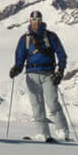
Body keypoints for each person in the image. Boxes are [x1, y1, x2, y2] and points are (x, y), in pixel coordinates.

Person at [9, 10, 71, 142]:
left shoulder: (51, 37)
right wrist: (16, 69)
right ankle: (43, 134)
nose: (36, 22)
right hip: (31, 75)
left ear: (41, 21)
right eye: (34, 20)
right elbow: (20, 58)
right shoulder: (25, 39)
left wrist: (60, 71)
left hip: (48, 74)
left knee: (52, 103)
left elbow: (61, 54)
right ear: (30, 21)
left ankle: (63, 133)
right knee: (36, 105)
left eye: (38, 20)